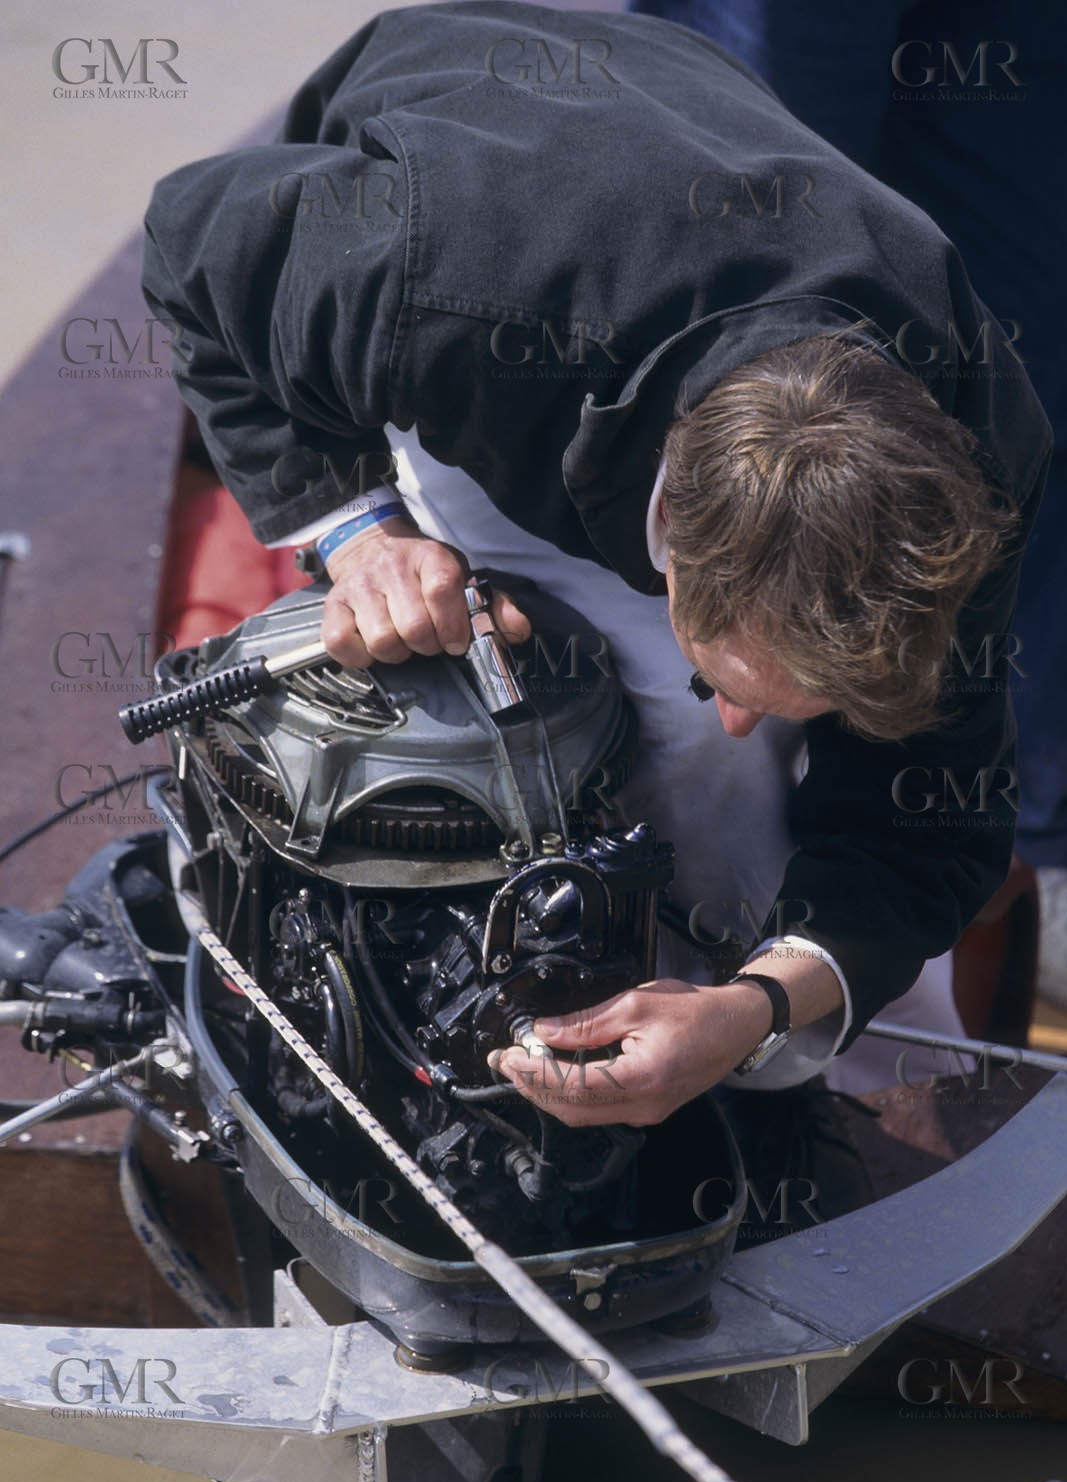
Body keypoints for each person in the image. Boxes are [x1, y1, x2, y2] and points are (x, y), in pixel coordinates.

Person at [141, 1, 1051, 1129]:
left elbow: (931, 825)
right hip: (488, 224)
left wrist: (760, 1008)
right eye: (735, 681)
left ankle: (824, 1084)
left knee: (757, 767)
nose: (744, 720)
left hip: (672, 174)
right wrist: (354, 532)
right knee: (675, 750)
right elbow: (187, 238)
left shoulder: (973, 456)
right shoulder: (436, 291)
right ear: (668, 561)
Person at [626, 0, 1067, 1004]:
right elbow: (774, 114)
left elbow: (776, 112)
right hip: (903, 384)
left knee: (952, 787)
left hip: (952, 375)